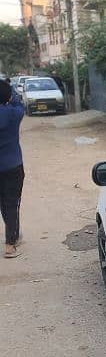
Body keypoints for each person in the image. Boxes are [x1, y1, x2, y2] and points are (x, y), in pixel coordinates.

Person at [0, 78, 25, 258]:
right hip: (12, 165)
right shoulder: (14, 113)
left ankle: (14, 235)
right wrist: (9, 90)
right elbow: (17, 100)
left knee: (4, 203)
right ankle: (10, 244)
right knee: (11, 203)